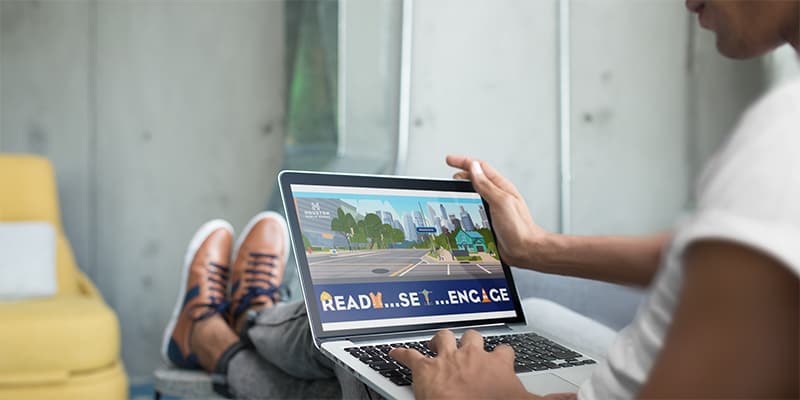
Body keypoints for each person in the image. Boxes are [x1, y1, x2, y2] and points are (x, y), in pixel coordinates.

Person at [163, 1, 800, 398]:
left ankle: (234, 327)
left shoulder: (781, 141)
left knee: (369, 359)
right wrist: (537, 246)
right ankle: (238, 331)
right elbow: (711, 253)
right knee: (420, 342)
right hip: (618, 363)